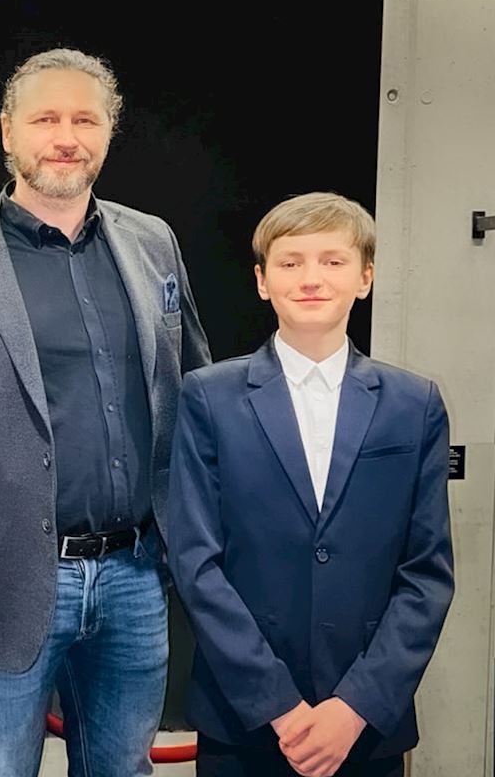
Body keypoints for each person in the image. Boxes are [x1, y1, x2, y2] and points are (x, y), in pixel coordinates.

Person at [0, 48, 211, 777]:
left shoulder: (153, 242)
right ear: (8, 132)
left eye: (85, 120)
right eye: (45, 119)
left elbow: (193, 393)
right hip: (4, 584)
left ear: (108, 132)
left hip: (135, 576)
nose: (66, 138)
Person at [165, 192, 454, 777]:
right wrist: (277, 704)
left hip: (366, 724)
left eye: (333, 260)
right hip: (243, 718)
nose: (311, 278)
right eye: (291, 262)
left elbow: (426, 573)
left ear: (365, 277)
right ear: (262, 281)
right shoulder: (210, 397)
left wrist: (355, 707)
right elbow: (195, 562)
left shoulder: (413, 404)